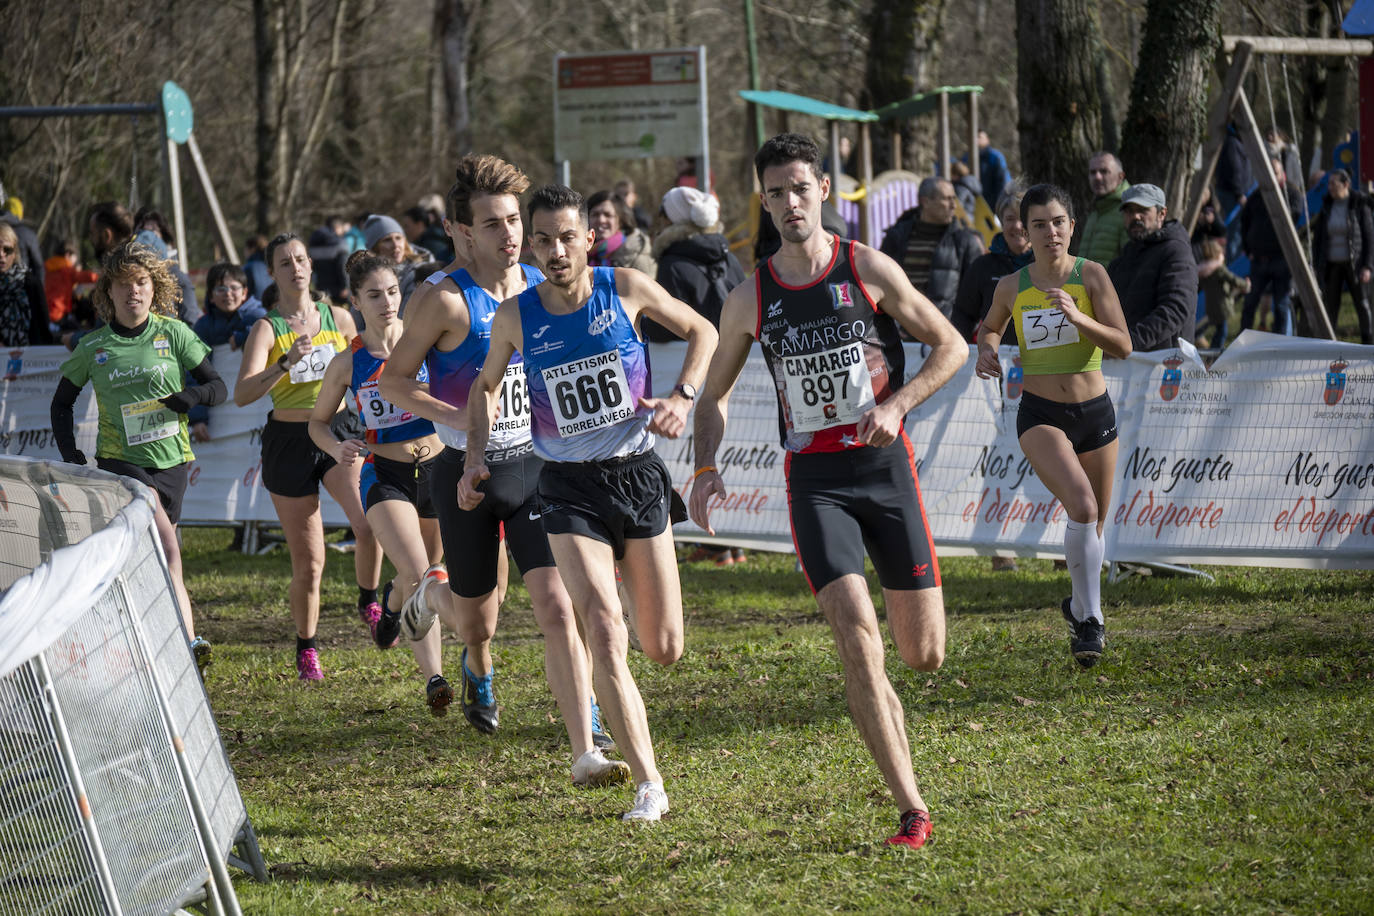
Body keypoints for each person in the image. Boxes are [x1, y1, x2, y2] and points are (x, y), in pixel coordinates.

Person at [691, 133, 967, 850]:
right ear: (764, 201)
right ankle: (911, 806)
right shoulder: (750, 298)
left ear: (825, 193)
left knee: (921, 655)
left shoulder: (866, 268)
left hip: (885, 470)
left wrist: (897, 406)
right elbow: (712, 397)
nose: (789, 203)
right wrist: (703, 463)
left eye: (800, 188)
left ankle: (887, 712)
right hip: (815, 483)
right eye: (775, 192)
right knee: (855, 638)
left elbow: (951, 346)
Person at [459, 183, 717, 821]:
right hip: (567, 487)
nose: (553, 250)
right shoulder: (518, 316)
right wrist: (473, 456)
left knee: (662, 646)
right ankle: (649, 783)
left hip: (636, 475)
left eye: (565, 237)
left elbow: (703, 331)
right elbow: (486, 385)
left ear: (588, 238)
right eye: (541, 239)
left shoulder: (623, 287)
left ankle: (641, 697)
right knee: (602, 627)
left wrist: (682, 396)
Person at [379, 157, 630, 784]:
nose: (511, 236)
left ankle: (585, 744)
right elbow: (393, 380)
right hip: (468, 475)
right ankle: (429, 599)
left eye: (515, 221)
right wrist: (458, 418)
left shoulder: (538, 285)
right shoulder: (442, 300)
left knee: (557, 607)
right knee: (477, 620)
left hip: (539, 469)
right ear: (464, 233)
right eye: (492, 225)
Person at [50, 240, 226, 675]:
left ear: (154, 288)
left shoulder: (173, 333)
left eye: (142, 283)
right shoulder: (94, 347)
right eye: (124, 285)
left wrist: (190, 397)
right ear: (108, 293)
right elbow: (60, 404)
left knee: (153, 555)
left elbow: (218, 388)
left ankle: (138, 640)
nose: (134, 292)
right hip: (120, 463)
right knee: (168, 548)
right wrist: (71, 454)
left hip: (172, 462)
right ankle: (189, 643)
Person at [975, 184, 1132, 669]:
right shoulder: (1012, 285)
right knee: (1082, 507)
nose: (1050, 232)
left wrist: (1077, 317)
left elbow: (1122, 346)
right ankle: (1093, 622)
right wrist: (986, 348)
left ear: (1072, 225)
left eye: (1058, 222)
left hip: (1095, 413)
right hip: (1040, 414)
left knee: (1096, 524)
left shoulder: (1093, 276)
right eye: (1038, 225)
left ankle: (1076, 607)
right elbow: (990, 326)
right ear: (1025, 231)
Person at [306, 251, 459, 714]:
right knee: (423, 575)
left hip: (438, 470)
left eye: (393, 292)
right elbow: (317, 423)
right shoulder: (347, 363)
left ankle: (390, 607)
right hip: (385, 475)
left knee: (421, 574)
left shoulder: (428, 346)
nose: (387, 302)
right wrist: (337, 449)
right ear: (355, 301)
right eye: (374, 295)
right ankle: (435, 678)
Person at [232, 233, 382, 682]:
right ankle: (307, 648)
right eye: (284, 262)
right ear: (273, 273)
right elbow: (242, 394)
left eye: (300, 259)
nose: (295, 267)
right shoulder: (266, 328)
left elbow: (371, 365)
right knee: (310, 561)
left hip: (338, 430)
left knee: (369, 521)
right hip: (289, 439)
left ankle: (368, 600)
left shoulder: (337, 317)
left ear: (311, 267)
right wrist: (283, 364)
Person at [878, 177, 985, 325]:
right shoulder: (897, 237)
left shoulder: (965, 241)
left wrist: (957, 330)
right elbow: (881, 283)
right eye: (947, 199)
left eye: (954, 198)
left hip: (946, 331)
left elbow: (976, 295)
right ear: (925, 202)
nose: (954, 205)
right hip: (901, 330)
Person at [645, 186, 745, 340]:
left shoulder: (672, 265)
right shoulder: (728, 257)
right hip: (737, 356)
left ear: (670, 220)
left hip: (696, 359)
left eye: (662, 215)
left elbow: (666, 330)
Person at [1106, 183, 1196, 351]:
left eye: (1143, 210)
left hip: (1165, 366)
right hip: (1127, 365)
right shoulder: (1122, 261)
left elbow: (1176, 309)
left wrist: (1130, 343)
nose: (1136, 216)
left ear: (1161, 214)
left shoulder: (1175, 251)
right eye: (1129, 211)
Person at [87, 202, 201, 326]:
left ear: (106, 235)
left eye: (92, 233)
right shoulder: (128, 256)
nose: (91, 239)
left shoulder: (139, 255)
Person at [953, 188, 1032, 343]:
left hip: (1045, 360)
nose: (1017, 226)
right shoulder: (982, 267)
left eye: (1023, 218)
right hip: (998, 361)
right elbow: (963, 315)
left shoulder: (1051, 265)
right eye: (1010, 219)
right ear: (1001, 222)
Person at [1240, 156, 1304, 336]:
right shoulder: (1256, 196)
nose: (1270, 178)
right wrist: (1247, 248)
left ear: (1281, 173)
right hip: (1259, 259)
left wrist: (1276, 199)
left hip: (1281, 259)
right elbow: (1244, 222)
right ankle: (1241, 342)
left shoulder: (1291, 193)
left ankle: (1280, 344)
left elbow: (1295, 215)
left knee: (1281, 305)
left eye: (1274, 173)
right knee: (1250, 303)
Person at [1311, 169, 1374, 344]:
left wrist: (1368, 266)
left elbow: (1369, 237)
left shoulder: (1359, 204)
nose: (1330, 187)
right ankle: (1330, 345)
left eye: (1334, 183)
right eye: (1329, 184)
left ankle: (1368, 344)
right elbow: (1319, 238)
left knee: (1362, 305)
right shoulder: (1327, 206)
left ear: (1345, 184)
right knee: (1331, 307)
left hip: (1355, 264)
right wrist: (1316, 264)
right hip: (1332, 264)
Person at [362, 214, 437, 311]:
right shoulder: (367, 275)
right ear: (374, 248)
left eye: (398, 238)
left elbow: (405, 318)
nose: (395, 245)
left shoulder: (421, 272)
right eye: (387, 240)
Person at [0, 221, 50, 346]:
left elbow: (43, 324)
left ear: (15, 252)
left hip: (29, 357)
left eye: (7, 249)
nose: (2, 255)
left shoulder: (30, 283)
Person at [586, 191, 656, 277]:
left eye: (608, 215)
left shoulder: (638, 257)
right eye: (595, 215)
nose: (601, 220)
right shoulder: (582, 254)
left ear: (620, 220)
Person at [1078, 152, 1131, 265]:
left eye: (1104, 171)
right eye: (1093, 172)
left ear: (1120, 176)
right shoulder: (1096, 209)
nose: (1097, 177)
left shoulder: (1129, 210)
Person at [1195, 237, 1248, 349]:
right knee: (1222, 331)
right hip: (1222, 306)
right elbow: (1233, 279)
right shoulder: (1219, 270)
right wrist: (1246, 284)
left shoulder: (1204, 271)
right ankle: (1216, 351)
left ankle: (1213, 348)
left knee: (1215, 328)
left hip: (1210, 306)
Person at [44, 239, 99, 331]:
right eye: (75, 257)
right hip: (59, 312)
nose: (75, 260)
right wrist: (99, 276)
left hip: (45, 310)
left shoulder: (47, 267)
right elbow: (83, 277)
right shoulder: (67, 269)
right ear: (68, 255)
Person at [977, 129, 1010, 209]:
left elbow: (1003, 182)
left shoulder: (995, 157)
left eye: (979, 137)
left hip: (993, 206)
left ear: (987, 140)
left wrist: (1000, 205)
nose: (976, 140)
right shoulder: (966, 158)